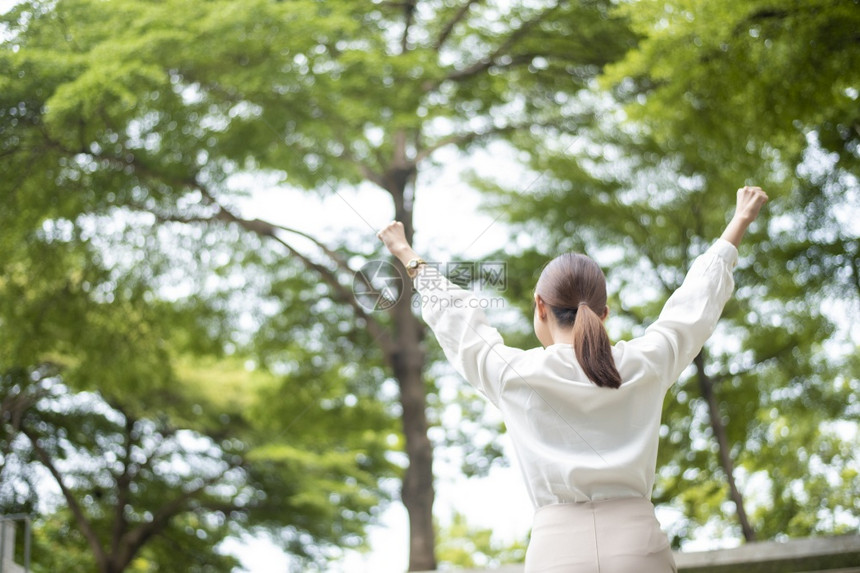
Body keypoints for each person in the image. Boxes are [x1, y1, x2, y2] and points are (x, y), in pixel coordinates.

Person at [377, 186, 768, 573]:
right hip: (638, 545)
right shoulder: (643, 363)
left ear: (540, 306)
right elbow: (695, 304)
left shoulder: (515, 374)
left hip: (556, 550)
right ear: (605, 313)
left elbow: (457, 319)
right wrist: (739, 221)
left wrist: (407, 255)